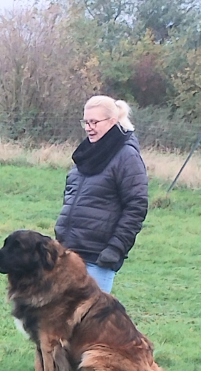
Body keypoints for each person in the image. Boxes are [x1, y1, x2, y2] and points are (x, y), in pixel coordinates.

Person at [55, 95, 148, 293]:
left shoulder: (127, 156)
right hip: (68, 252)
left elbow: (136, 206)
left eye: (94, 122)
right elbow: (71, 194)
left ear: (112, 121)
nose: (89, 128)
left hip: (98, 257)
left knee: (90, 313)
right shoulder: (85, 154)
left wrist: (116, 248)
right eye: (86, 122)